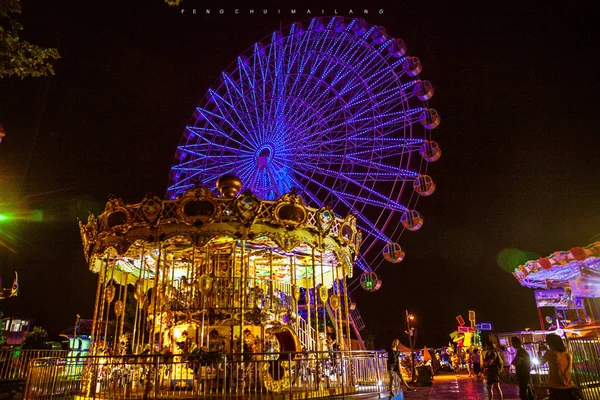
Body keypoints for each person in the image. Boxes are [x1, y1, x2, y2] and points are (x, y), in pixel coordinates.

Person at [538, 333, 580, 400]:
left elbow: (540, 363)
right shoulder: (568, 354)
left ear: (551, 344)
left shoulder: (550, 354)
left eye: (548, 343)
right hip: (568, 384)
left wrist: (539, 352)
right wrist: (547, 350)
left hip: (555, 386)